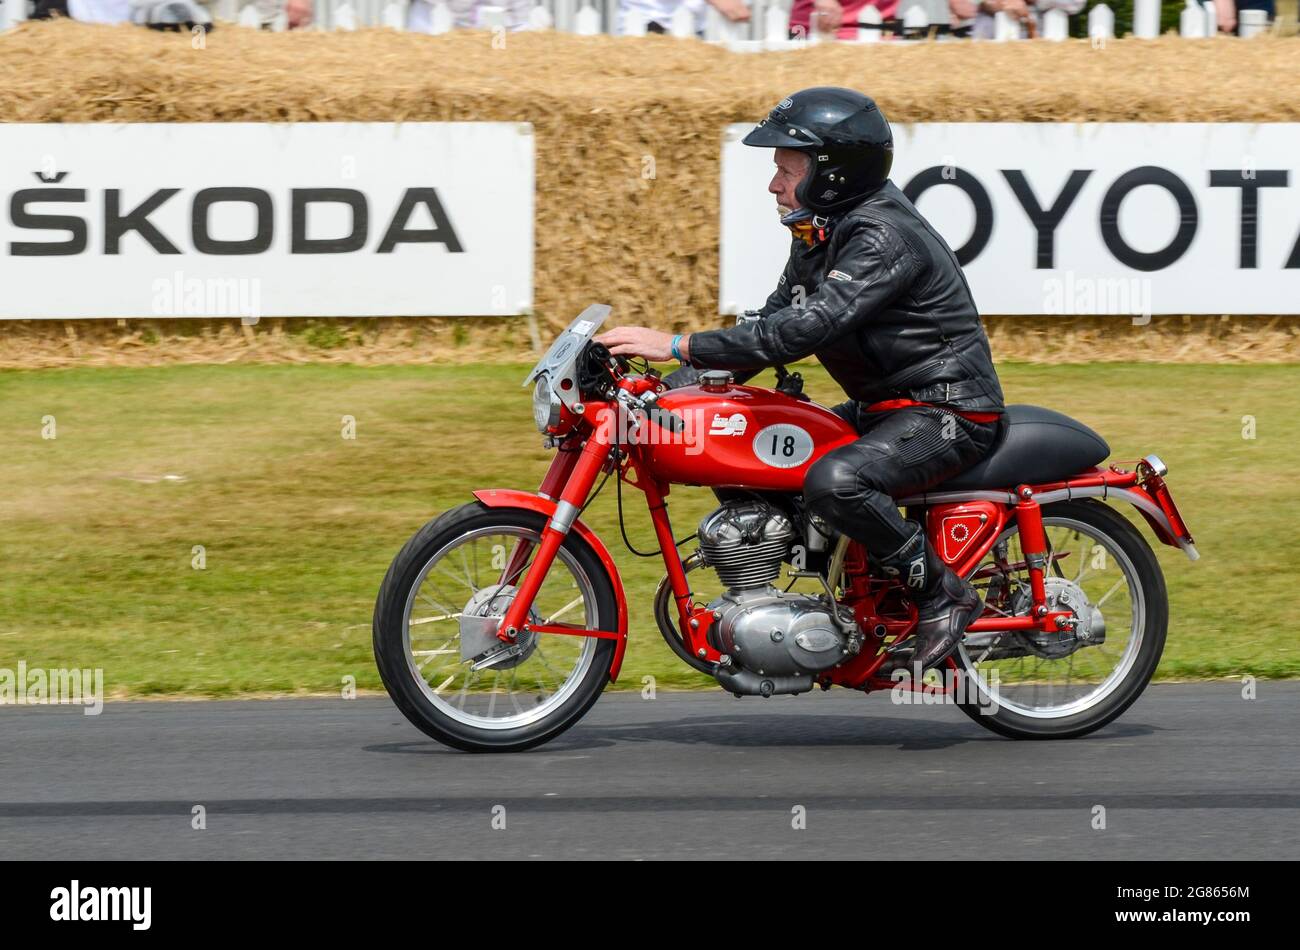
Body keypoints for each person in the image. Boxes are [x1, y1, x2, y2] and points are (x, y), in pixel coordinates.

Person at [596, 87, 1007, 672]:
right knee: (742, 440)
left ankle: (942, 591)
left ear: (833, 174)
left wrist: (676, 344)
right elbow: (773, 321)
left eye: (787, 169)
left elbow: (805, 329)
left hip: (948, 411)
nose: (774, 184)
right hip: (885, 408)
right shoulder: (821, 232)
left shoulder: (881, 237)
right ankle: (824, 600)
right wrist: (676, 387)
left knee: (836, 482)